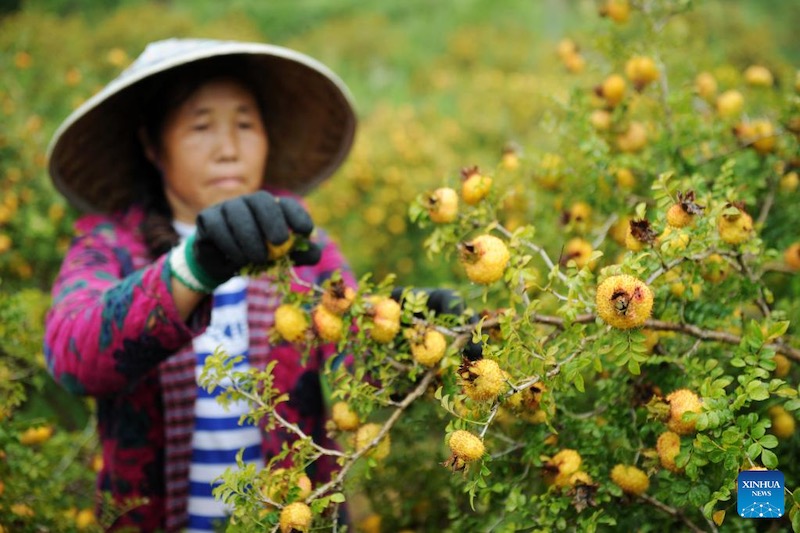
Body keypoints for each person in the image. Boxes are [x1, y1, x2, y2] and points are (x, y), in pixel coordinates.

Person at [44, 38, 479, 532]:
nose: (228, 149)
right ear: (151, 143)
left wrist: (405, 339)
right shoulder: (112, 248)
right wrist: (194, 267)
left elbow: (353, 363)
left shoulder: (301, 249)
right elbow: (72, 356)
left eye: (245, 125)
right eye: (201, 126)